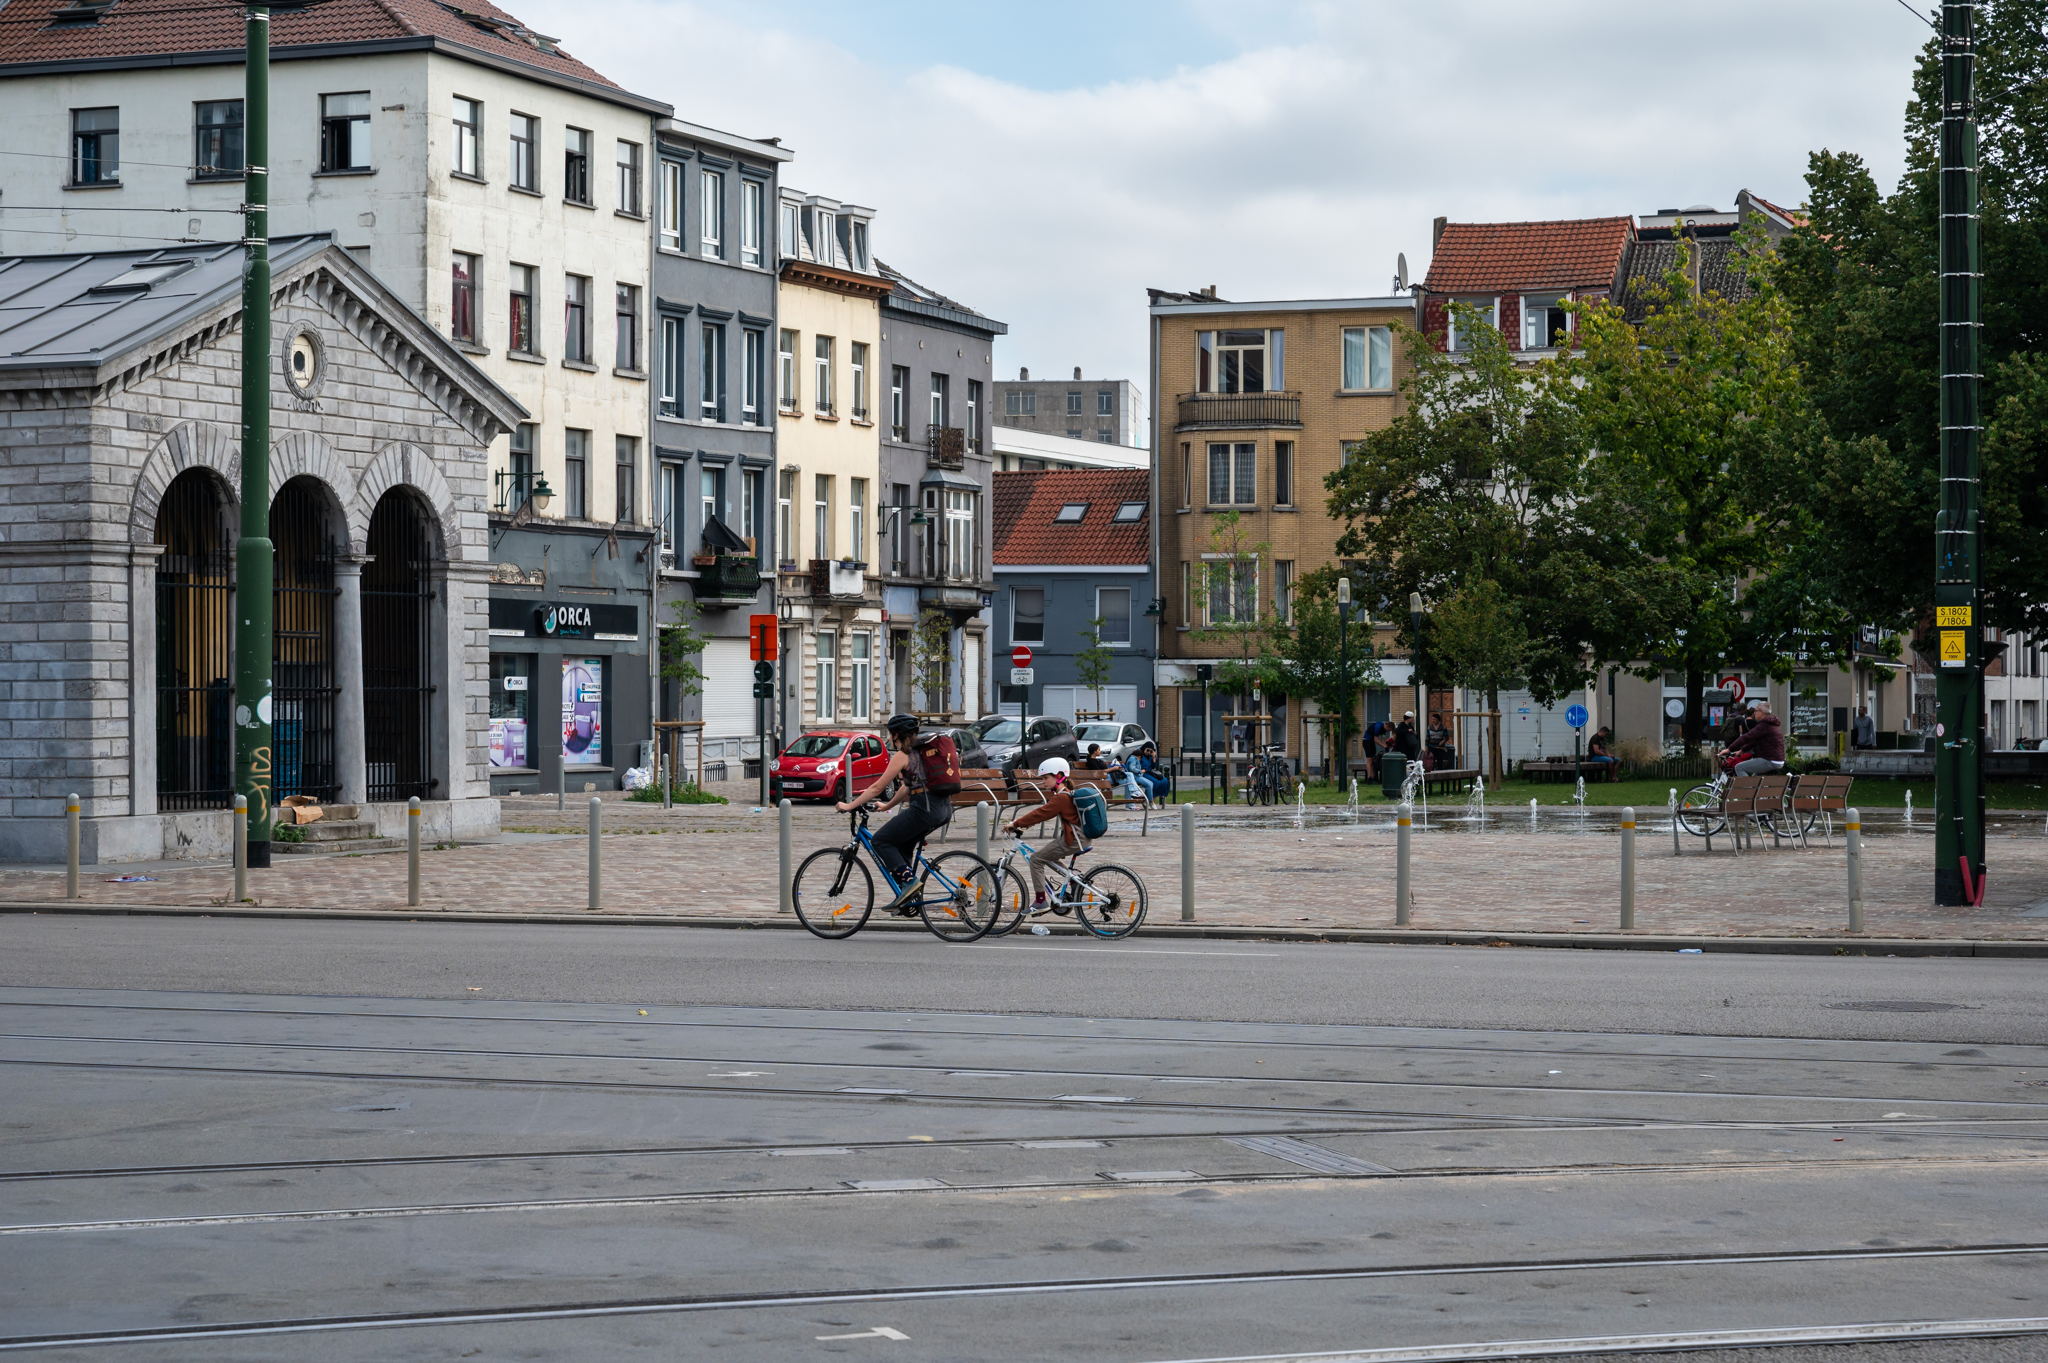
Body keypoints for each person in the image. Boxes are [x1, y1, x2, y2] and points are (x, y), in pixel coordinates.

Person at [837, 713, 955, 911]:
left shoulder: (904, 755)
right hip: (942, 810)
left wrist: (849, 805)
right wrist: (887, 806)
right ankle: (907, 898)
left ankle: (909, 883)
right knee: (901, 847)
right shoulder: (922, 752)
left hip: (923, 811)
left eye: (891, 734)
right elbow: (907, 787)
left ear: (897, 734)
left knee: (880, 841)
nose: (890, 738)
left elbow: (876, 788)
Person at [1004, 757, 1088, 913]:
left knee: (1036, 859)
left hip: (1074, 839)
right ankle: (1074, 881)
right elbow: (1043, 813)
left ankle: (1041, 901)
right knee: (1047, 855)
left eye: (1045, 777)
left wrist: (1015, 824)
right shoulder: (1064, 794)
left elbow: (1040, 813)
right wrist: (1024, 824)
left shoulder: (1062, 797)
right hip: (1078, 837)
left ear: (1059, 776)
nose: (1043, 782)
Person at [1718, 701, 1786, 775]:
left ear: (1762, 712)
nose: (1754, 713)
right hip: (1776, 759)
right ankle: (1753, 786)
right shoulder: (1770, 724)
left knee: (1739, 767)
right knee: (1755, 777)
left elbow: (1747, 737)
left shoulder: (1764, 725)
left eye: (1756, 711)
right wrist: (1742, 750)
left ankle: (1746, 787)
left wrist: (1729, 749)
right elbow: (1755, 741)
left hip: (1769, 759)